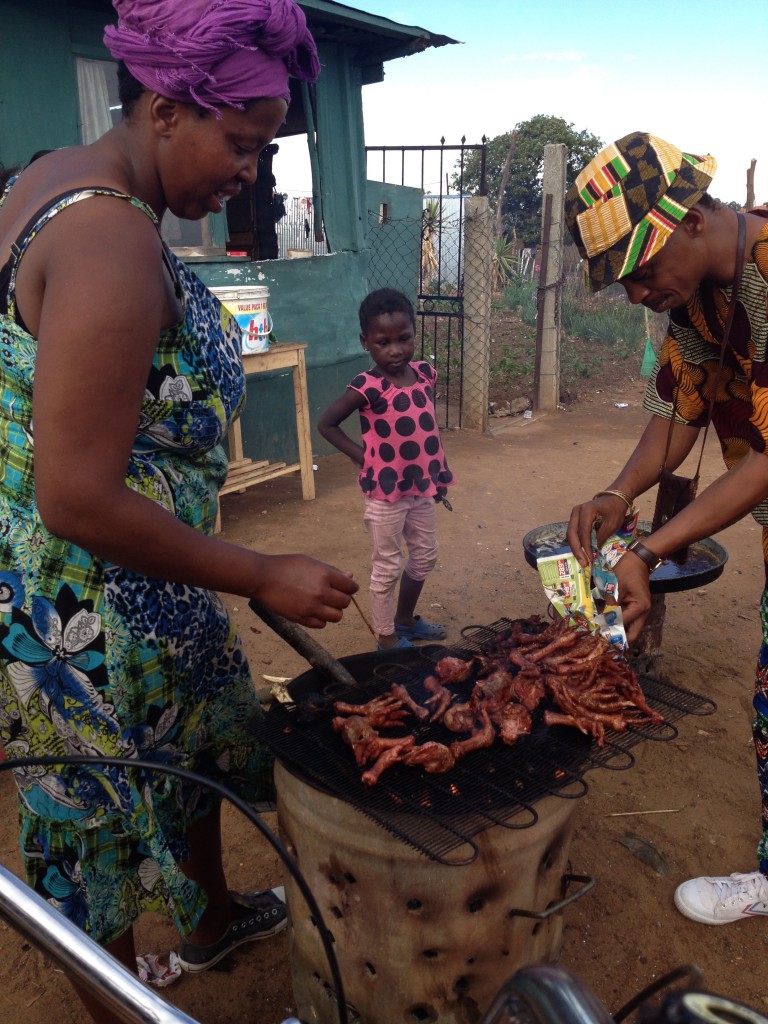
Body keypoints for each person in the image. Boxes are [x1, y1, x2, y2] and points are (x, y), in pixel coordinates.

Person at [0, 0, 359, 1019]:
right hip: (90, 610)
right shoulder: (110, 237)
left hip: (142, 580)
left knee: (197, 748)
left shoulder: (51, 178)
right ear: (164, 109)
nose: (250, 171)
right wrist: (258, 570)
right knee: (97, 829)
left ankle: (209, 922)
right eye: (240, 144)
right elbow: (72, 493)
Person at [563, 130, 768, 926]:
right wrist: (617, 494)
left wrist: (646, 550)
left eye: (640, 272)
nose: (637, 294)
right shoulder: (696, 301)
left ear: (689, 219)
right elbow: (676, 417)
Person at [318, 288, 454, 651]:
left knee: (424, 557)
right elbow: (327, 424)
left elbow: (427, 434)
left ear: (414, 333)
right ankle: (387, 638)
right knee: (388, 566)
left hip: (422, 489)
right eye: (383, 342)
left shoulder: (425, 374)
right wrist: (360, 456)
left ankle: (405, 620)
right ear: (366, 342)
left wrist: (438, 477)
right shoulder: (368, 387)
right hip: (385, 494)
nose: (396, 350)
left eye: (404, 338)